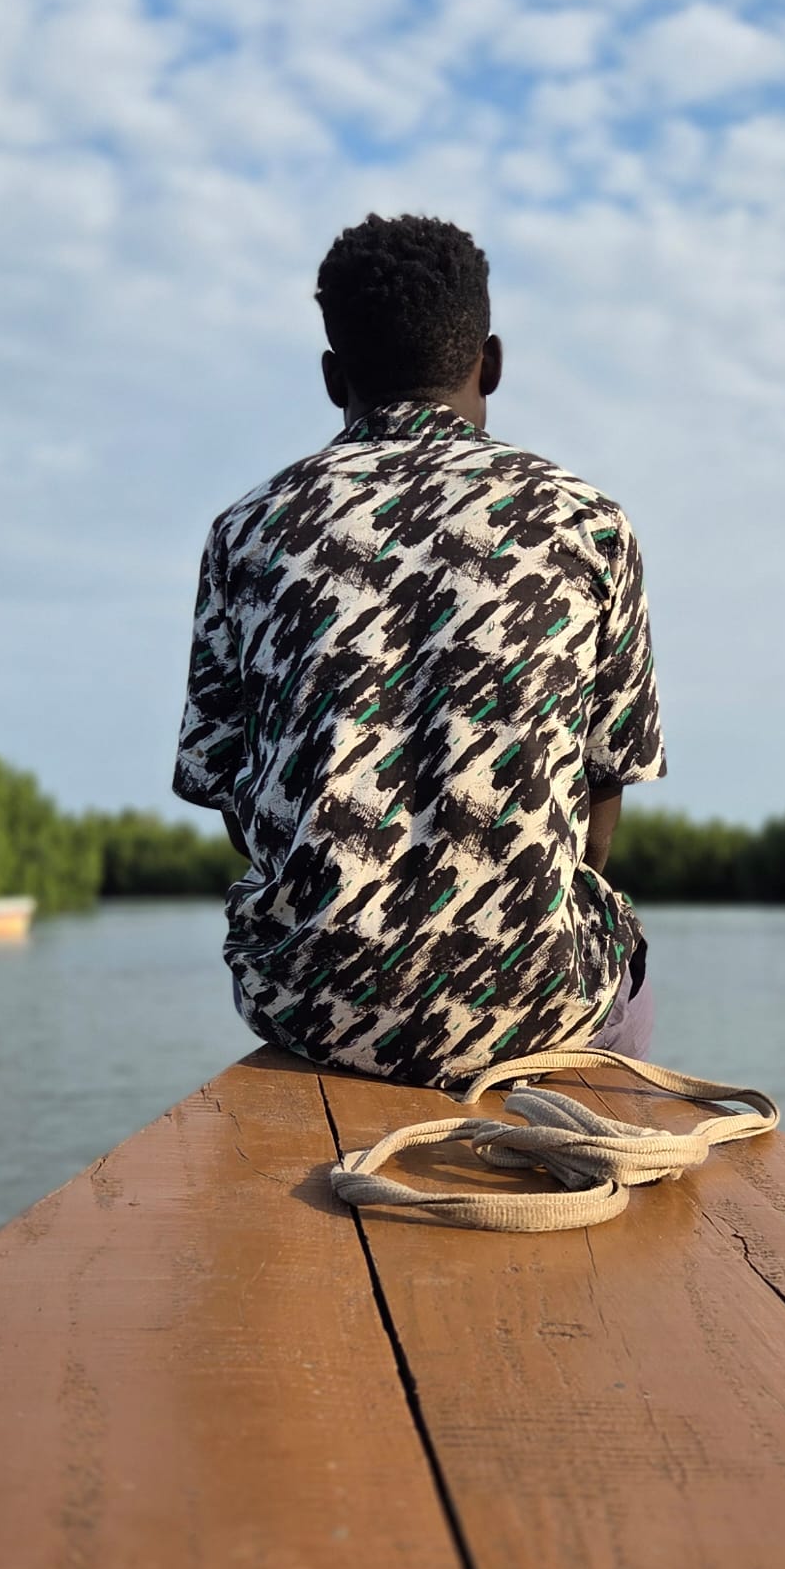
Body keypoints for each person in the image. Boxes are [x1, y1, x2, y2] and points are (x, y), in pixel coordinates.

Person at [173, 212, 665, 1088]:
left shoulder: (246, 534)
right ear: (493, 363)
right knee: (624, 981)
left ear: (334, 379)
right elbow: (603, 790)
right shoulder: (588, 524)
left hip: (309, 998)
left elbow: (226, 790)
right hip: (540, 1000)